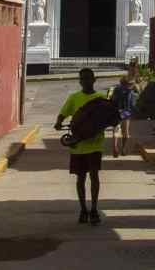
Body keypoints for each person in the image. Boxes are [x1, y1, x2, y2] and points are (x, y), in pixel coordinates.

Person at [54, 68, 106, 225]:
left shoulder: (101, 98)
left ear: (94, 80)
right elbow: (63, 113)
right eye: (82, 79)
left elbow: (107, 118)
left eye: (88, 78)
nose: (85, 81)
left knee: (94, 177)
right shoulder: (74, 98)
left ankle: (94, 209)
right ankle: (83, 209)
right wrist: (59, 122)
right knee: (80, 178)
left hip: (95, 145)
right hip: (78, 145)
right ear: (80, 81)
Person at [109, 74, 138, 157]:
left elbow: (111, 100)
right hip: (126, 114)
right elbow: (133, 105)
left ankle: (115, 148)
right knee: (125, 132)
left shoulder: (116, 89)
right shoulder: (132, 93)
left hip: (116, 113)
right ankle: (124, 149)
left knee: (115, 131)